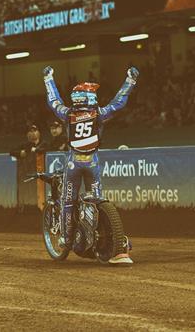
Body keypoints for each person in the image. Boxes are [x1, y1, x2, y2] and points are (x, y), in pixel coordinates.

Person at [43, 65, 138, 264]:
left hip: (73, 164)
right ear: (90, 99)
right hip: (93, 163)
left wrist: (48, 80)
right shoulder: (99, 114)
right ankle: (101, 235)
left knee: (68, 201)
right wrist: (129, 82)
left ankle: (65, 239)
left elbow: (53, 102)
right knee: (96, 200)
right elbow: (118, 103)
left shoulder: (67, 113)